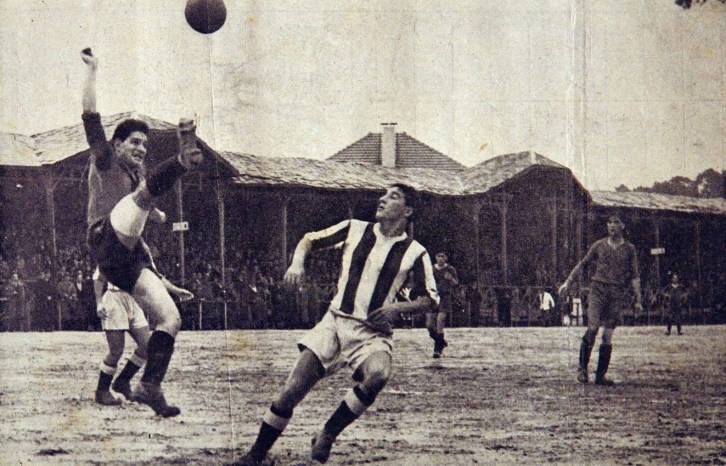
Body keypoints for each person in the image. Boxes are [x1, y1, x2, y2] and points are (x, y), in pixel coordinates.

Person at [231, 184, 439, 466]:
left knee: (379, 374)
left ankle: (327, 432)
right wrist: (297, 264)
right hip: (334, 322)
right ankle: (257, 455)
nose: (382, 198)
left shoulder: (416, 252)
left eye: (394, 196)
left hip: (370, 332)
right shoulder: (354, 228)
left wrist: (396, 309)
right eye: (384, 194)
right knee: (291, 392)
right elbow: (309, 239)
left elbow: (431, 299)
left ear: (408, 211)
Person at [81, 48, 202, 416]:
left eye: (145, 145)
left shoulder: (136, 182)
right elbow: (90, 118)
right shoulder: (104, 160)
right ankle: (183, 157)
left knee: (171, 319)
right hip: (103, 239)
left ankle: (150, 385)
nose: (141, 148)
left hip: (126, 258)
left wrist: (166, 283)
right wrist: (92, 71)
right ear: (117, 145)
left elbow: (140, 245)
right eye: (134, 142)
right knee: (145, 197)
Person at [559, 214, 642, 386]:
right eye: (609, 222)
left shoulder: (629, 249)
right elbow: (583, 264)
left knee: (607, 335)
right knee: (593, 327)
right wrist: (568, 282)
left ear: (623, 226)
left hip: (616, 293)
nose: (612, 226)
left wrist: (638, 300)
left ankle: (600, 375)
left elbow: (634, 276)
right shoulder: (599, 245)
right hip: (598, 290)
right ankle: (582, 369)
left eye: (616, 222)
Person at [94, 264, 194, 406]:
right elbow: (98, 278)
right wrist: (99, 303)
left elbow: (156, 277)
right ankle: (102, 391)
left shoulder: (142, 255)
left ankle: (123, 381)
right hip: (114, 299)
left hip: (134, 300)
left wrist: (176, 291)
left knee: (147, 346)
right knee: (116, 350)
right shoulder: (111, 252)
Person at [427, 252, 459, 358]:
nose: (440, 258)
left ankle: (437, 350)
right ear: (435, 257)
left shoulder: (450, 269)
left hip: (445, 297)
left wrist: (451, 279)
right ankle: (440, 341)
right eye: (438, 256)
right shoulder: (431, 269)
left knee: (440, 322)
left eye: (442, 256)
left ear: (446, 258)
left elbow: (456, 283)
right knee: (429, 325)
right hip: (433, 297)